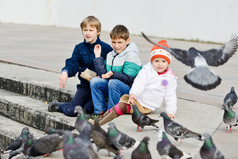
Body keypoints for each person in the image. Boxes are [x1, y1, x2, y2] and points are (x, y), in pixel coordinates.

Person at [92, 40, 178, 125]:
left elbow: (171, 96)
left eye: (163, 61)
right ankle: (100, 119)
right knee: (119, 105)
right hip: (137, 99)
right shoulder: (147, 70)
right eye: (156, 61)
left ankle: (99, 124)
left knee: (121, 107)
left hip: (147, 107)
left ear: (168, 62)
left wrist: (170, 111)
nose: (160, 64)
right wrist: (134, 94)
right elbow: (139, 83)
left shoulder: (170, 78)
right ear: (152, 61)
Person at [48, 16, 113, 117]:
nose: (87, 33)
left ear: (98, 31)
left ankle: (87, 105)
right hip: (85, 86)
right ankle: (60, 106)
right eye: (85, 30)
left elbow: (110, 68)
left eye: (91, 30)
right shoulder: (79, 48)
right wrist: (65, 71)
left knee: (88, 109)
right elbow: (73, 63)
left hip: (98, 87)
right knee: (72, 111)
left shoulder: (106, 48)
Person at [89, 24, 142, 119]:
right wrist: (97, 57)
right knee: (95, 81)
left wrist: (113, 74)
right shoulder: (111, 54)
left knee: (114, 82)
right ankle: (100, 112)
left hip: (129, 91)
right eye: (113, 42)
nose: (116, 46)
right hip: (113, 88)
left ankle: (111, 112)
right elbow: (103, 75)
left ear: (127, 41)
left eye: (120, 42)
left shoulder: (132, 55)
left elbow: (129, 80)